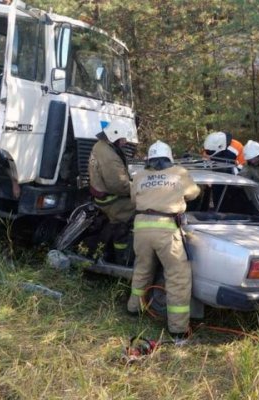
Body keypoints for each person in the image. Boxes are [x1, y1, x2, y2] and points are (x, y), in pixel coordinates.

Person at [128, 140, 200, 342]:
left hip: (141, 227)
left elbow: (134, 199)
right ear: (169, 158)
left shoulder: (139, 176)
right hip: (166, 229)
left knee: (142, 268)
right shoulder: (179, 173)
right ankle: (177, 329)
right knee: (177, 276)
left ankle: (134, 309)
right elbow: (194, 193)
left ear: (149, 159)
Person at [88, 119, 136, 265]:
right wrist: (140, 189)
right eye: (123, 138)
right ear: (114, 135)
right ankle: (123, 259)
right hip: (112, 200)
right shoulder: (109, 156)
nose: (125, 142)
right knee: (138, 214)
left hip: (107, 195)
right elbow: (119, 186)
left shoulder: (102, 146)